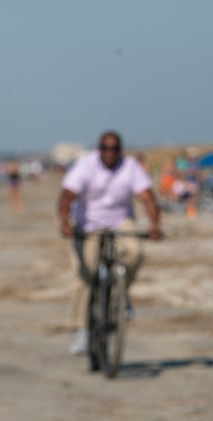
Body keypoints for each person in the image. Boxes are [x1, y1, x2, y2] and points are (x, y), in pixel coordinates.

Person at [58, 130, 161, 355]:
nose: (110, 153)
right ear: (99, 149)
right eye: (105, 148)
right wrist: (65, 223)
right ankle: (82, 331)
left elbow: (147, 197)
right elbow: (67, 195)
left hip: (120, 222)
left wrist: (155, 226)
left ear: (120, 150)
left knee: (135, 253)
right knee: (85, 273)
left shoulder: (130, 166)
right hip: (88, 223)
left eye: (114, 149)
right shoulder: (86, 165)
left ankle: (122, 294)